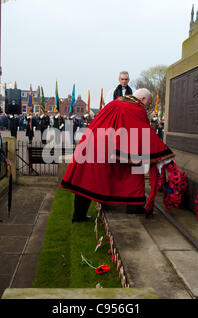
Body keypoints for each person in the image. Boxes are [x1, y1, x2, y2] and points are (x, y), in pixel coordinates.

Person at [60, 89, 175, 222]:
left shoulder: (116, 103)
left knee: (84, 181)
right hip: (103, 147)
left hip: (91, 144)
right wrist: (164, 152)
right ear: (142, 99)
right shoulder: (136, 109)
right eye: (149, 103)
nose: (149, 107)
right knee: (134, 172)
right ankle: (134, 206)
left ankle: (78, 216)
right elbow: (144, 132)